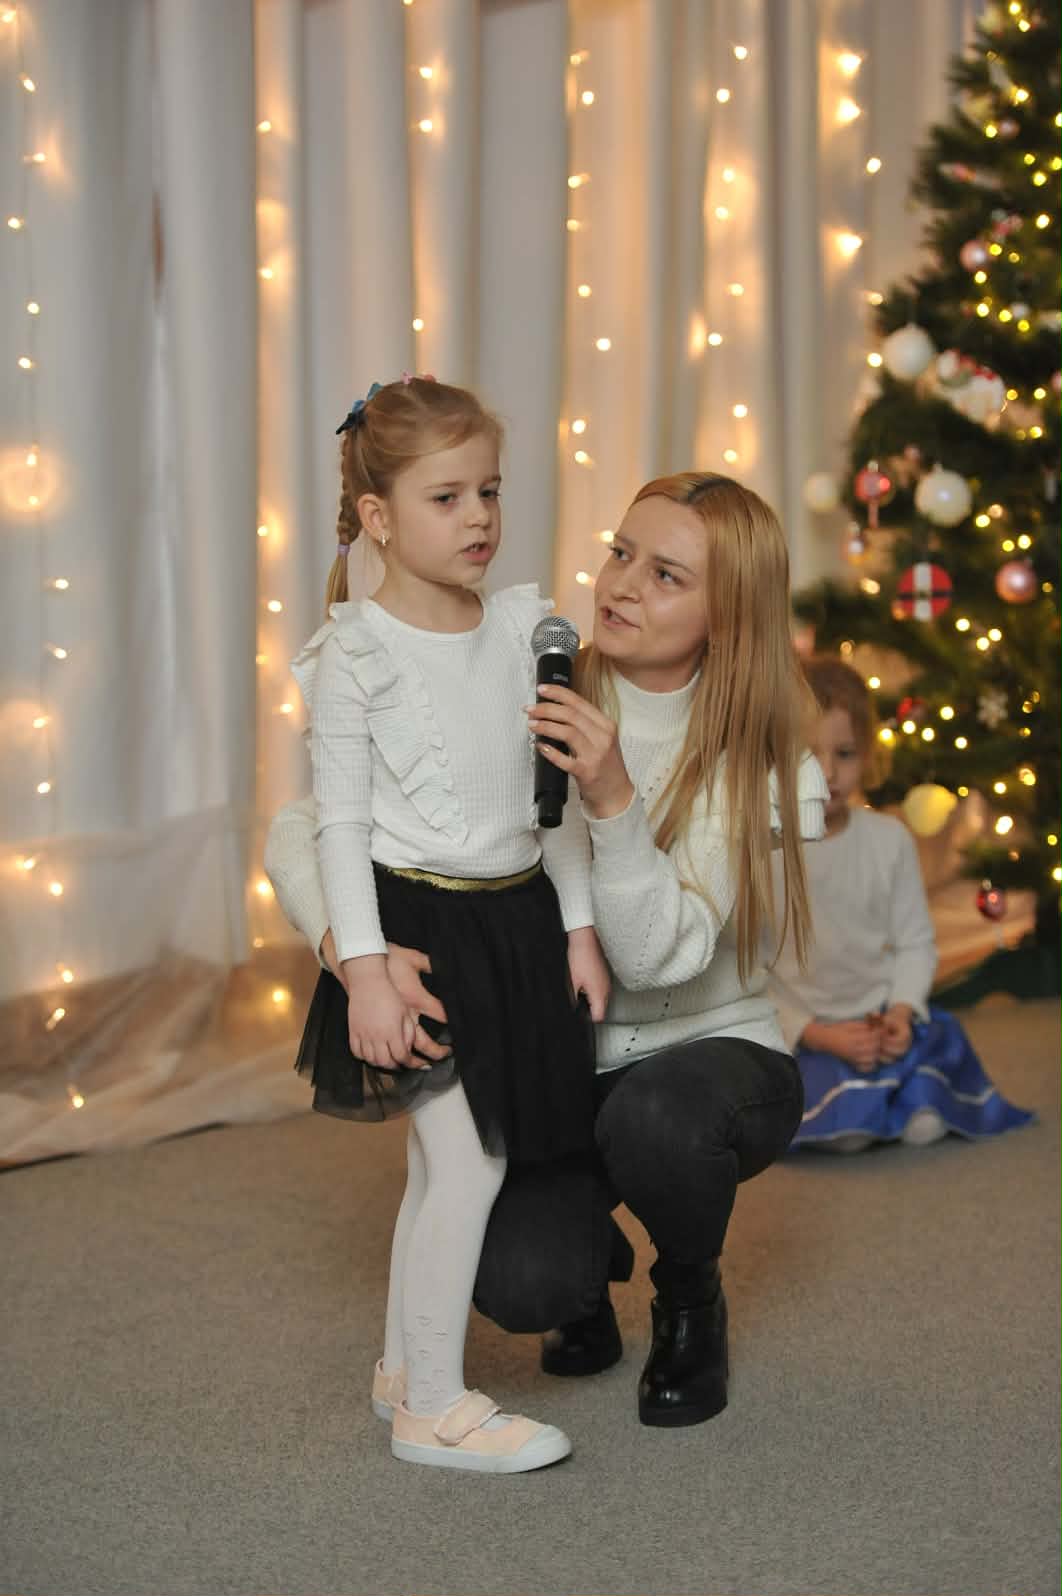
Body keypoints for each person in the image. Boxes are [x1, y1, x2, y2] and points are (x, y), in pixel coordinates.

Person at [267, 470, 830, 1429]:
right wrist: (352, 951)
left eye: (665, 576)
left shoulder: (758, 759)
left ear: (729, 614)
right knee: (522, 1279)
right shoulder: (525, 678)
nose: (620, 586)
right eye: (621, 553)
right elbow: (302, 826)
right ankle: (585, 1266)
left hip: (710, 1055)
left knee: (658, 1123)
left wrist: (612, 800)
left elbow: (652, 962)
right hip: (560, 1061)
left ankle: (689, 1291)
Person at [286, 374, 610, 1474]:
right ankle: (432, 1406)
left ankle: (399, 1369)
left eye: (490, 491)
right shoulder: (356, 655)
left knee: (445, 1168)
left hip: (516, 923)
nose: (479, 517)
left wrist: (577, 928)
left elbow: (553, 803)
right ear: (378, 517)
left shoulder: (521, 627)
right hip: (418, 934)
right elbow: (337, 829)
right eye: (447, 497)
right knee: (466, 1166)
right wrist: (366, 972)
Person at [768, 655, 1034, 1152]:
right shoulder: (767, 850)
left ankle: (894, 1100)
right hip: (810, 1033)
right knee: (843, 1130)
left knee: (934, 1071)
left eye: (845, 753)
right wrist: (818, 1035)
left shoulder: (889, 839)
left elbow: (915, 942)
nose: (828, 773)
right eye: (808, 754)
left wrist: (902, 1013)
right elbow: (751, 974)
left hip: (877, 1018)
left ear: (868, 754)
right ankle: (875, 1108)